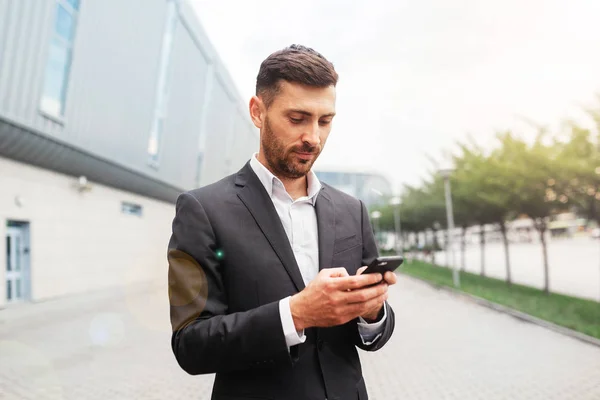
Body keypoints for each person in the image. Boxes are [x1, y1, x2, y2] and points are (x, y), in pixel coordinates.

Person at [167, 44, 397, 400]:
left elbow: (373, 333)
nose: (313, 137)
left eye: (325, 121)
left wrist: (373, 312)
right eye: (297, 118)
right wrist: (295, 313)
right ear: (258, 112)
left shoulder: (353, 210)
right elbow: (191, 344)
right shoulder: (203, 209)